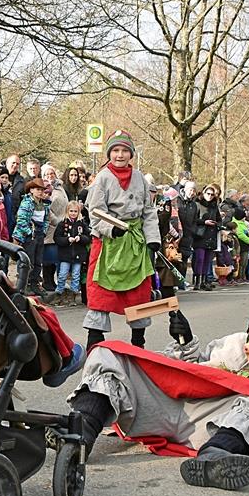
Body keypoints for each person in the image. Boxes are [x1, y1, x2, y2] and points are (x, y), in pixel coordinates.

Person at [67, 302, 249, 490]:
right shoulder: (235, 344)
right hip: (169, 405)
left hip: (211, 428)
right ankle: (80, 434)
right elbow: (195, 366)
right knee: (108, 353)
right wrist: (185, 341)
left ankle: (214, 460)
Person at [83, 130, 159, 349]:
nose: (120, 155)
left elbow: (148, 211)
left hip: (135, 244)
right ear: (109, 153)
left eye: (124, 150)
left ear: (131, 154)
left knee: (139, 293)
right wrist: (110, 229)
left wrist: (152, 238)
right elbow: (95, 211)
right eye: (116, 150)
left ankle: (138, 344)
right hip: (109, 243)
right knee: (101, 294)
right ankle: (95, 344)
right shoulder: (103, 178)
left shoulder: (140, 179)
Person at [12, 178, 51, 296]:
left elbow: (46, 220)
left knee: (38, 260)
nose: (40, 192)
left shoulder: (44, 204)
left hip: (39, 235)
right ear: (31, 190)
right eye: (38, 189)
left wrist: (43, 231)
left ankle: (35, 283)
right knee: (29, 260)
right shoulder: (26, 203)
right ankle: (25, 284)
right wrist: (30, 232)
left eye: (42, 190)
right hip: (28, 236)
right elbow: (21, 220)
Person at [53, 200, 90, 307]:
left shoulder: (82, 225)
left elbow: (88, 237)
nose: (73, 213)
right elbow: (57, 238)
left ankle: (73, 295)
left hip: (78, 255)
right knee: (62, 274)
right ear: (67, 211)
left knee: (76, 275)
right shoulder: (62, 224)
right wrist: (67, 239)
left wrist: (81, 238)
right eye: (71, 211)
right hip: (65, 255)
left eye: (75, 211)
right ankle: (59, 293)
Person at [191, 184, 221, 290]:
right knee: (199, 258)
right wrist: (204, 222)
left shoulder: (214, 206)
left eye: (212, 195)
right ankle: (197, 281)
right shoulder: (197, 204)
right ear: (203, 193)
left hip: (211, 234)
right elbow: (192, 220)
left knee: (207, 260)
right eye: (208, 194)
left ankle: (204, 281)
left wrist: (218, 225)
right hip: (200, 235)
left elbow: (219, 219)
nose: (210, 196)